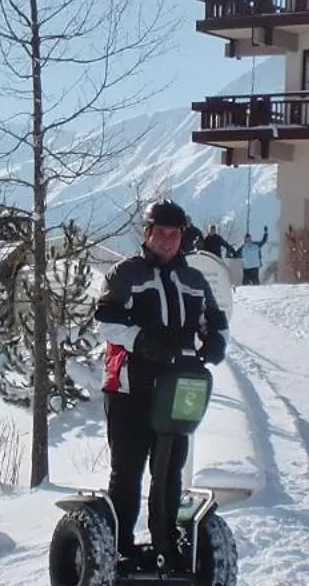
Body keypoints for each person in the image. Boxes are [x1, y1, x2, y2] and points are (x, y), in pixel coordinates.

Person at [93, 200, 229, 556]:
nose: (168, 240)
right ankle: (118, 548)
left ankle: (168, 544)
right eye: (161, 233)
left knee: (170, 469)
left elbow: (214, 320)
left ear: (183, 236)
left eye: (175, 233)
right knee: (128, 470)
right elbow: (105, 321)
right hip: (129, 387)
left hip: (178, 387)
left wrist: (215, 341)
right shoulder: (125, 274)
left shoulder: (194, 280)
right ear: (147, 233)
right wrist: (141, 340)